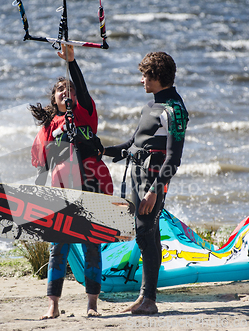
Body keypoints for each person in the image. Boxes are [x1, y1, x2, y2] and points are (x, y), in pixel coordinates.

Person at [30, 45, 113, 319]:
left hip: (89, 188)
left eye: (71, 90)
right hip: (60, 193)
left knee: (92, 246)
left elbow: (84, 91)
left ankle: (92, 305)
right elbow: (42, 167)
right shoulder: (48, 127)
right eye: (61, 91)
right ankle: (52, 306)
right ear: (53, 99)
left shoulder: (85, 113)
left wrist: (72, 62)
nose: (67, 93)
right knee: (58, 248)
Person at [104, 52, 189, 315]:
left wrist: (156, 190)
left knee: (144, 233)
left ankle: (149, 299)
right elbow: (131, 145)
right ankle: (145, 298)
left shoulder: (174, 110)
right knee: (146, 235)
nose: (142, 80)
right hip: (137, 176)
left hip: (153, 180)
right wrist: (101, 150)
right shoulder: (150, 107)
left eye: (145, 75)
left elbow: (173, 159)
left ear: (158, 77)